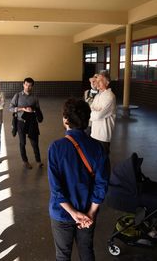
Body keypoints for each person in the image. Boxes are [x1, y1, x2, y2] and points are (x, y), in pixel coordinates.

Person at [48, 98, 109, 261]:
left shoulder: (56, 147)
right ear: (87, 120)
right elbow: (101, 185)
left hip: (62, 213)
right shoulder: (98, 147)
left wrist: (73, 213)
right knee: (86, 250)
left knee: (63, 255)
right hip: (88, 211)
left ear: (65, 119)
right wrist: (90, 212)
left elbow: (56, 189)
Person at [9, 77, 43, 169]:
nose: (28, 87)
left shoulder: (35, 98)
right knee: (22, 142)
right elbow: (10, 108)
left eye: (30, 85)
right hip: (21, 122)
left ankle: (38, 160)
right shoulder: (18, 96)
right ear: (23, 84)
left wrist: (33, 110)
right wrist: (22, 109)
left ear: (32, 87)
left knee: (34, 142)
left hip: (32, 123)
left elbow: (38, 110)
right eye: (26, 85)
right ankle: (25, 161)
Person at [90, 70, 116, 155]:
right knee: (95, 160)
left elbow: (98, 116)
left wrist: (94, 112)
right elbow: (90, 111)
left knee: (103, 160)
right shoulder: (98, 95)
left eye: (100, 81)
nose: (97, 83)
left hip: (103, 136)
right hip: (94, 133)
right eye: (97, 81)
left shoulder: (110, 96)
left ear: (107, 82)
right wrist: (94, 112)